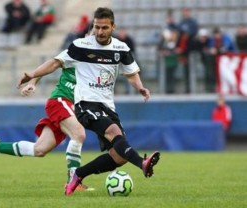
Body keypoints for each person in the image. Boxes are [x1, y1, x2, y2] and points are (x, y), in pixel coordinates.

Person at [17, 7, 160, 196]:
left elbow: (131, 73)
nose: (99, 32)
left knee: (119, 155)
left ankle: (78, 174)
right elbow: (54, 63)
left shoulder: (121, 48)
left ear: (113, 27)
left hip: (108, 106)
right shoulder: (80, 46)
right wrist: (33, 75)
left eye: (104, 28)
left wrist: (140, 87)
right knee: (114, 132)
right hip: (86, 104)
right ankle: (142, 163)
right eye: (96, 27)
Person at [0, 65, 90, 191]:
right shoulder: (76, 52)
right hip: (60, 102)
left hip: (73, 108)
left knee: (39, 150)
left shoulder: (101, 63)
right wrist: (32, 82)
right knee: (78, 134)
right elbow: (51, 65)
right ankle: (73, 182)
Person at [177, 7, 199, 93]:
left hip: (190, 50)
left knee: (191, 70)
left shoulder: (192, 23)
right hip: (184, 51)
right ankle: (187, 88)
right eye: (184, 12)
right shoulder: (181, 23)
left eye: (187, 12)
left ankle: (192, 88)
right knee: (186, 70)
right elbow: (179, 34)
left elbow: (193, 34)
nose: (185, 14)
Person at [195, 28, 215, 93]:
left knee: (210, 73)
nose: (203, 38)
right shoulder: (197, 43)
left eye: (204, 37)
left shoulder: (210, 42)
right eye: (201, 37)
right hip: (203, 61)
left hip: (210, 61)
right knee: (207, 73)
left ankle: (211, 87)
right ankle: (208, 87)